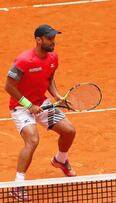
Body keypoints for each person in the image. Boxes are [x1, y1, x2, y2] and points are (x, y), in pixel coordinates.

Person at [4, 24, 76, 201]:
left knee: (69, 131)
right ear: (38, 39)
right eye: (49, 38)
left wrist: (58, 96)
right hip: (21, 107)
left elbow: (49, 79)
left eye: (54, 38)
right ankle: (18, 185)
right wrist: (28, 105)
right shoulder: (23, 61)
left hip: (42, 103)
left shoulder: (53, 57)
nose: (53, 42)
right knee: (33, 140)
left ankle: (60, 160)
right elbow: (9, 86)